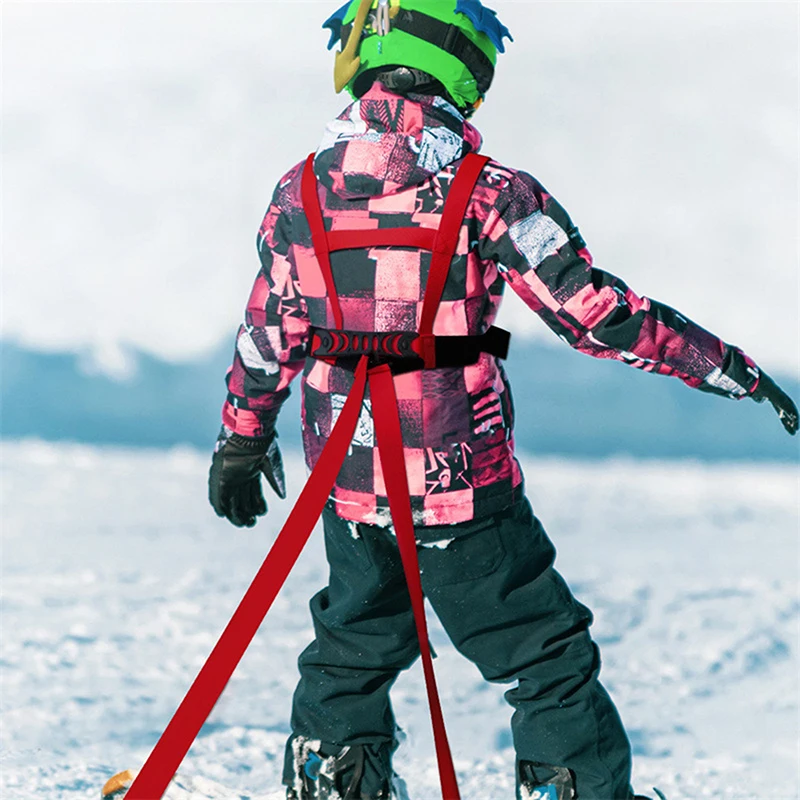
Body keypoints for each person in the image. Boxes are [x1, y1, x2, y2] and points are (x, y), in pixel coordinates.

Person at [208, 2, 798, 798]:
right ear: (464, 69)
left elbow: (267, 331)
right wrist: (723, 364)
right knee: (545, 657)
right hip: (459, 489)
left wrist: (241, 440)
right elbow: (593, 314)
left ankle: (333, 782)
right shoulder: (488, 194)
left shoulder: (299, 191)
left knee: (351, 647)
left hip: (349, 486)